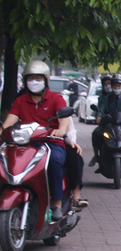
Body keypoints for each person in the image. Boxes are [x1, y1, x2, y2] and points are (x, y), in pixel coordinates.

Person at [0, 60, 69, 221]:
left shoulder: (56, 99)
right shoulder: (21, 100)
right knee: (5, 161)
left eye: (38, 78)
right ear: (25, 81)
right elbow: (10, 120)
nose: (34, 82)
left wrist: (61, 130)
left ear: (45, 80)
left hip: (50, 143)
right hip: (25, 143)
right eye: (31, 78)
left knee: (54, 162)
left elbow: (64, 120)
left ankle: (57, 203)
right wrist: (2, 130)